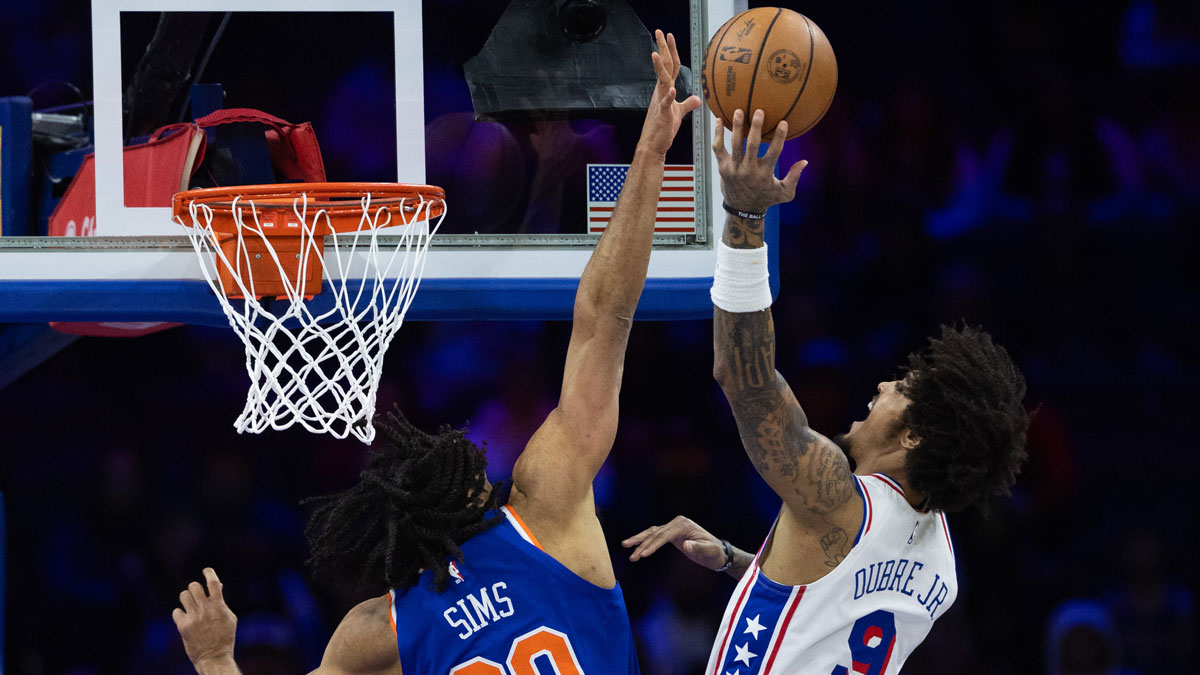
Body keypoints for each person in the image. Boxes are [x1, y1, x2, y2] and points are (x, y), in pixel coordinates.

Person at [171, 29, 702, 675]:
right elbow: (604, 317)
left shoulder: (378, 629)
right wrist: (650, 151)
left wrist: (215, 659)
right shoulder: (548, 505)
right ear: (475, 488)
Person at [622, 108, 1030, 674]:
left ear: (914, 435)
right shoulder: (942, 571)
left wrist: (744, 213)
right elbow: (832, 596)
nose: (883, 384)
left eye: (901, 389)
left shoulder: (835, 496)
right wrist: (739, 561)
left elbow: (745, 378)